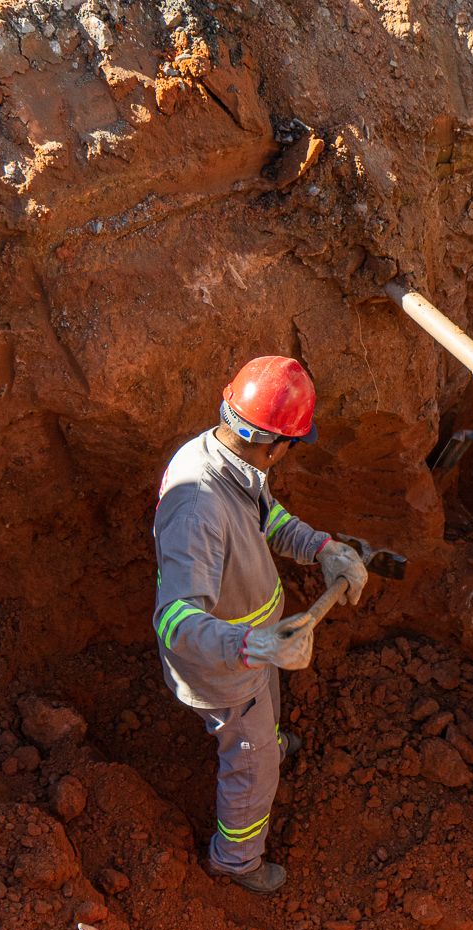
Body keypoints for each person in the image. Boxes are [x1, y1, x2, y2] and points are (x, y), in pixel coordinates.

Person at [151, 356, 368, 893]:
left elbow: (267, 518)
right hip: (223, 667)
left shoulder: (227, 457)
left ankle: (266, 735)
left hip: (251, 653)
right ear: (272, 444)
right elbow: (175, 621)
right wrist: (253, 643)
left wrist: (324, 548)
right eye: (292, 444)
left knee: (264, 706)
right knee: (253, 769)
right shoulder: (198, 507)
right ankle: (236, 861)